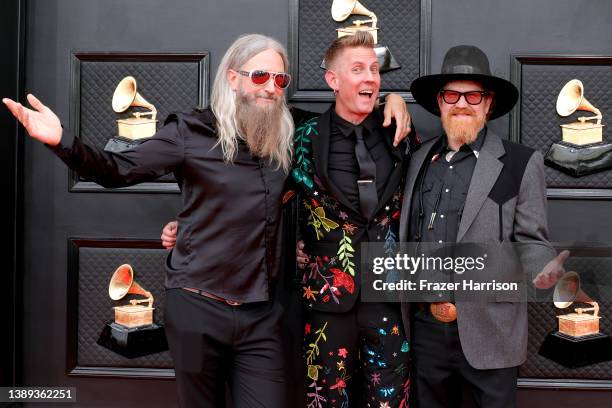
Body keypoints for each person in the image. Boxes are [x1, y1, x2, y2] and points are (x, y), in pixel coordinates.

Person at [4, 33, 410, 407]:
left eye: (280, 80)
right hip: (198, 309)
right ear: (233, 78)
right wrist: (62, 141)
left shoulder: (290, 132)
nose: (271, 87)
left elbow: (348, 116)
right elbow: (118, 168)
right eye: (261, 75)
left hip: (262, 316)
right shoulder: (191, 132)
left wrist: (391, 100)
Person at [397, 45, 566, 408]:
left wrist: (545, 269)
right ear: (439, 103)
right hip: (425, 331)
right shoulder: (417, 159)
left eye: (473, 95)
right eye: (452, 95)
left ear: (488, 104)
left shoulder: (521, 162)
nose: (462, 103)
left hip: (491, 330)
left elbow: (532, 240)